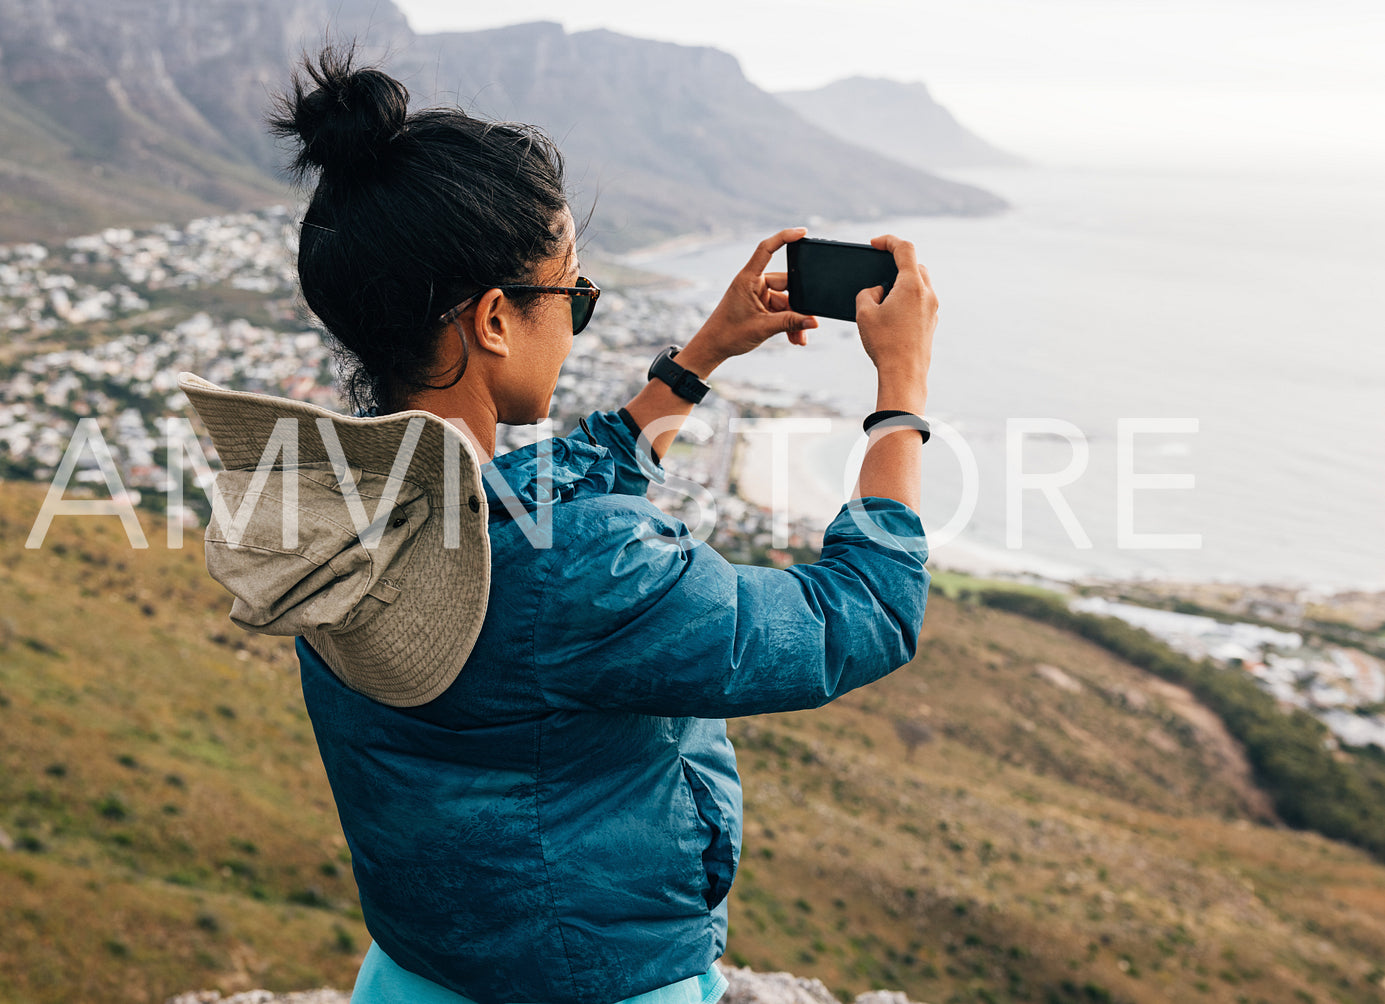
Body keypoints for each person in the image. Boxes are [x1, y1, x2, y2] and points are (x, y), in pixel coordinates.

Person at [183, 45, 937, 1004]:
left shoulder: (336, 504)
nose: (578, 316)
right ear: (495, 319)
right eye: (571, 294)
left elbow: (534, 495)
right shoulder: (577, 569)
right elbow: (861, 615)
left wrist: (698, 359)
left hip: (417, 966)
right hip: (600, 980)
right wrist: (899, 394)